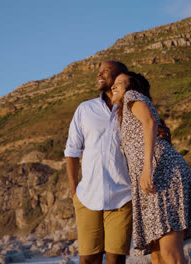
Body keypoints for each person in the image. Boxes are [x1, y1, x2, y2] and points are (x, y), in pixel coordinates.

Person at [64, 61, 171, 264]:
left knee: (116, 260)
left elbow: (154, 129)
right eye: (99, 71)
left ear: (121, 76)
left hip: (122, 196)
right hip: (87, 196)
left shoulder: (133, 107)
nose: (100, 74)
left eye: (106, 70)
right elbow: (72, 150)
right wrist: (73, 191)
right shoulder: (85, 109)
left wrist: (164, 134)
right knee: (88, 259)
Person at [111, 72, 191, 264]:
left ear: (133, 86)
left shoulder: (132, 96)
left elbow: (150, 122)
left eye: (120, 83)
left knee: (170, 253)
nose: (114, 86)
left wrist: (147, 168)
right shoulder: (125, 112)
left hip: (162, 174)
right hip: (153, 178)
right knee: (157, 255)